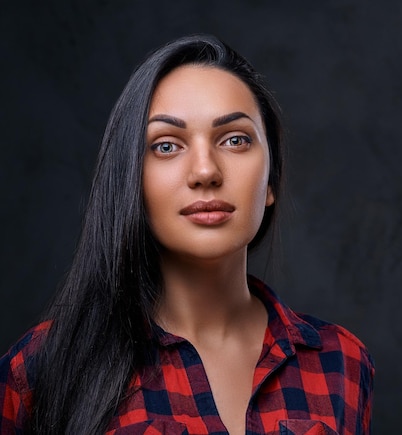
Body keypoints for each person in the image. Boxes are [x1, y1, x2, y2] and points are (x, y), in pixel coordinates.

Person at [0, 35, 374, 434]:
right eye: (166, 146)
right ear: (132, 181)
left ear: (271, 181)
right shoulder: (42, 367)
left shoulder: (340, 361)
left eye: (235, 140)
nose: (205, 172)